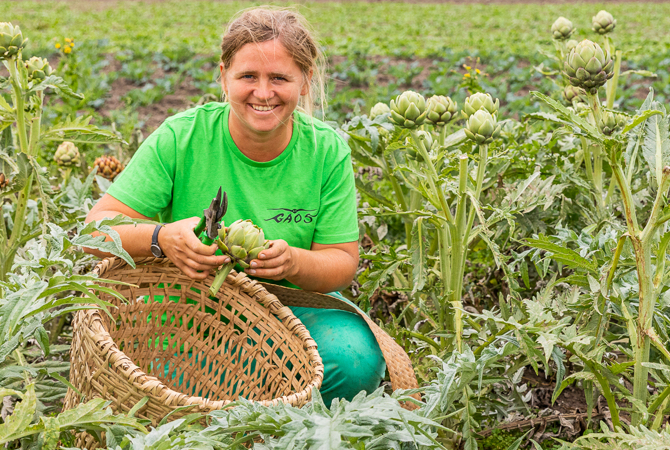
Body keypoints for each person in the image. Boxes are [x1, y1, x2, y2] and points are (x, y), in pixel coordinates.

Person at [84, 7, 385, 406]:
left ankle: (282, 426)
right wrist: (161, 238)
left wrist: (292, 263)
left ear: (305, 81)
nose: (263, 93)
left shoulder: (326, 151)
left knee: (354, 363)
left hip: (293, 308)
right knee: (175, 381)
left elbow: (342, 262)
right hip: (193, 307)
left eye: (279, 78)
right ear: (223, 76)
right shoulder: (181, 138)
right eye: (248, 77)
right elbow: (95, 230)